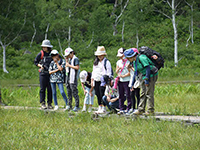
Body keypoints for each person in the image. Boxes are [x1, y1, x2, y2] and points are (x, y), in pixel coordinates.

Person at [124, 48, 158, 115]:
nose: (127, 59)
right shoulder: (134, 61)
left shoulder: (141, 58)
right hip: (143, 76)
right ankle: (141, 109)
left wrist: (147, 79)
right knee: (143, 93)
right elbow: (136, 73)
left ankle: (150, 110)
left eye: (128, 58)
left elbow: (147, 68)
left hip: (150, 75)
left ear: (132, 56)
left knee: (149, 93)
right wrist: (133, 84)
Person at [91, 46, 112, 114]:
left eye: (101, 55)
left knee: (102, 93)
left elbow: (109, 72)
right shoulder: (95, 62)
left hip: (103, 80)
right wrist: (92, 80)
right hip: (96, 79)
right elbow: (93, 71)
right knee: (97, 94)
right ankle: (99, 106)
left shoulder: (106, 62)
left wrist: (107, 81)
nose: (99, 56)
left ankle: (104, 107)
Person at [34, 39, 53, 109]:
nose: (44, 48)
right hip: (42, 73)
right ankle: (42, 103)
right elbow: (35, 62)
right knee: (42, 89)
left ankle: (49, 103)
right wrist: (41, 66)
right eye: (43, 47)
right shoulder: (41, 53)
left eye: (45, 47)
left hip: (50, 73)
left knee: (50, 89)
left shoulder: (52, 53)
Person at [116, 48, 131, 115]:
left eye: (121, 56)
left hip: (127, 80)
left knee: (128, 94)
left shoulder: (128, 61)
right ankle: (121, 108)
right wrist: (118, 73)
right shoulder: (118, 62)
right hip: (120, 81)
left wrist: (124, 76)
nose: (121, 57)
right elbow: (116, 71)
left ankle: (129, 108)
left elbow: (131, 72)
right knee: (121, 95)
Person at [64, 47, 80, 112]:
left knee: (74, 91)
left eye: (68, 55)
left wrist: (69, 65)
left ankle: (77, 105)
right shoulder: (70, 59)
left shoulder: (75, 59)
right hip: (68, 77)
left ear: (72, 53)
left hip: (73, 78)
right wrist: (66, 61)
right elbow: (67, 67)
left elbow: (77, 67)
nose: (68, 56)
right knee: (69, 91)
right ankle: (69, 105)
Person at [127, 48, 140, 115]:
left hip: (137, 80)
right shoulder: (132, 62)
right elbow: (131, 72)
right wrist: (128, 68)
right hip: (132, 79)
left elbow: (136, 71)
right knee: (131, 94)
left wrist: (131, 68)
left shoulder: (137, 61)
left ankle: (138, 108)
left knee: (137, 94)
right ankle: (133, 107)